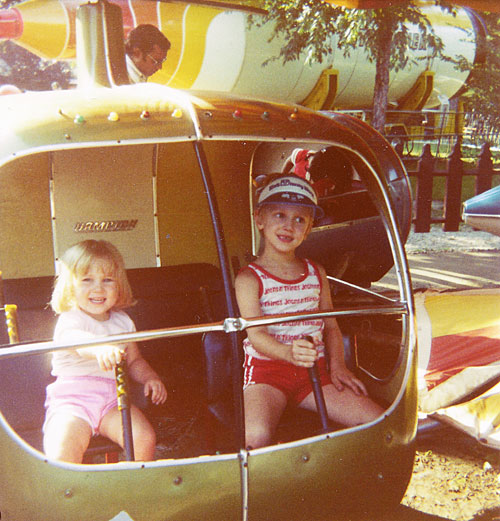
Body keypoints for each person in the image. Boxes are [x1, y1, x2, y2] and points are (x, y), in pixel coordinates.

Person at [235, 174, 384, 449]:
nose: (288, 226)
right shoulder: (248, 279)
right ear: (260, 220)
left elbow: (331, 326)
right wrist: (287, 353)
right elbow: (256, 335)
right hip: (267, 373)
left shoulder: (317, 273)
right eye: (279, 215)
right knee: (255, 438)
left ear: (309, 228)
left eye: (299, 219)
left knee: (376, 420)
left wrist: (337, 365)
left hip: (315, 371)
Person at [43, 240, 167, 463]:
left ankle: (130, 487)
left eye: (107, 280)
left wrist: (150, 377)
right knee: (62, 447)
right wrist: (98, 348)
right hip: (73, 402)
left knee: (144, 438)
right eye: (87, 280)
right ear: (71, 286)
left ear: (119, 285)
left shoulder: (123, 322)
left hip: (113, 401)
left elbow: (134, 360)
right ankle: (70, 493)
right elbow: (75, 341)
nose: (98, 288)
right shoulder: (70, 319)